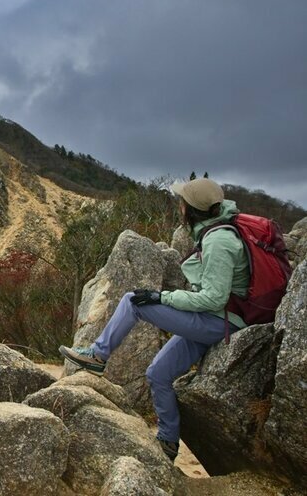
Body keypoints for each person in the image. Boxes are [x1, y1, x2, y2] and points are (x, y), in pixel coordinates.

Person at [59, 177, 250, 462]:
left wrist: (163, 297)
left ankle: (97, 357)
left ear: (191, 208)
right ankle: (168, 442)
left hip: (220, 322)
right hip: (213, 318)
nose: (179, 205)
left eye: (182, 201)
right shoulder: (213, 232)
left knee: (133, 301)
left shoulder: (219, 241)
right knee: (157, 374)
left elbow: (214, 299)